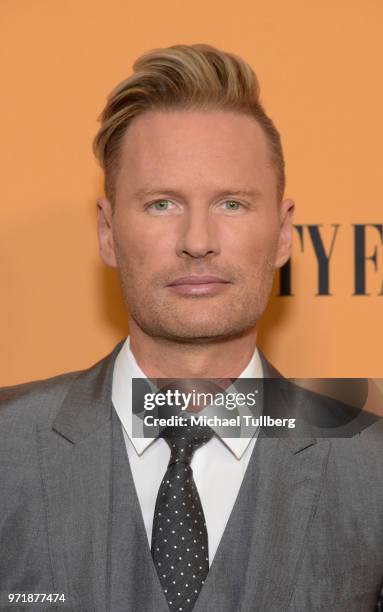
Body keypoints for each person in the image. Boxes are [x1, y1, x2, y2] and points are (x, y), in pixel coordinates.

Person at [1, 43, 382, 612]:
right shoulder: (7, 450)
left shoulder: (372, 467)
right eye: (161, 204)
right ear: (107, 232)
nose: (198, 240)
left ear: (282, 234)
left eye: (232, 203)